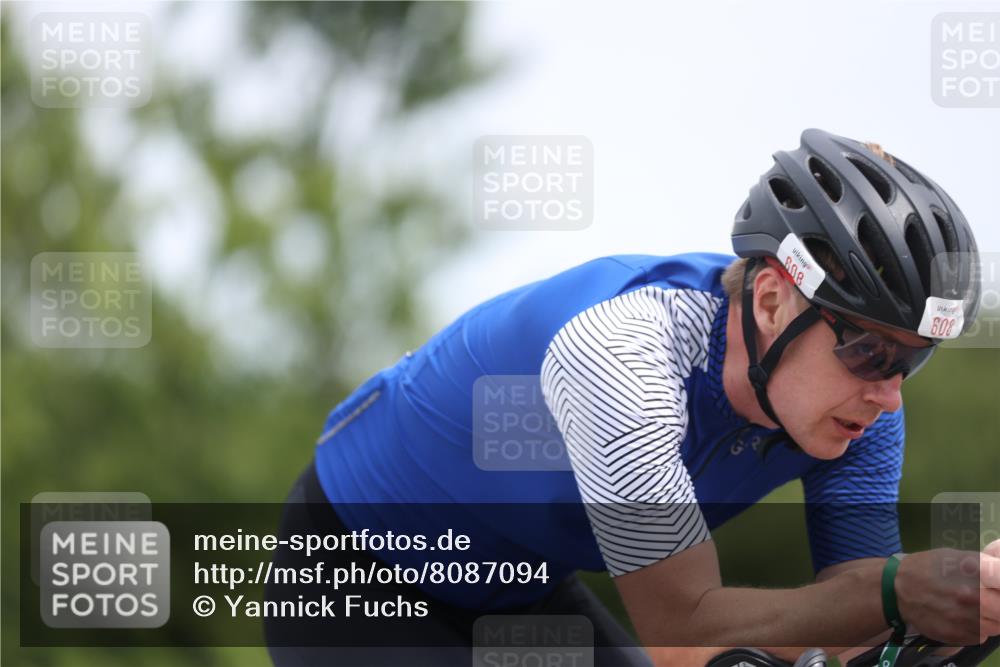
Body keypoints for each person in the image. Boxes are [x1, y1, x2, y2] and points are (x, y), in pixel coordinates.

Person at [264, 129, 997, 667]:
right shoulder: (623, 355)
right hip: (354, 575)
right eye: (868, 348)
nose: (889, 392)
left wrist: (967, 610)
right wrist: (904, 593)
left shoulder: (861, 413)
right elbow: (686, 631)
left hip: (521, 590)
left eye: (913, 358)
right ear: (773, 300)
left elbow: (856, 624)